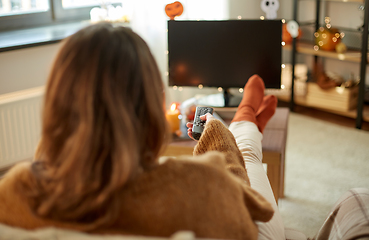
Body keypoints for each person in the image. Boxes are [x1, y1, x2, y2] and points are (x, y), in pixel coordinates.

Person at [0, 22, 275, 240]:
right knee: (248, 156)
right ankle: (246, 118)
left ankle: (248, 119)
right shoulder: (197, 187)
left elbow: (46, 163)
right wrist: (215, 131)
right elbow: (252, 210)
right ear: (150, 106)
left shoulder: (15, 191)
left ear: (55, 108)